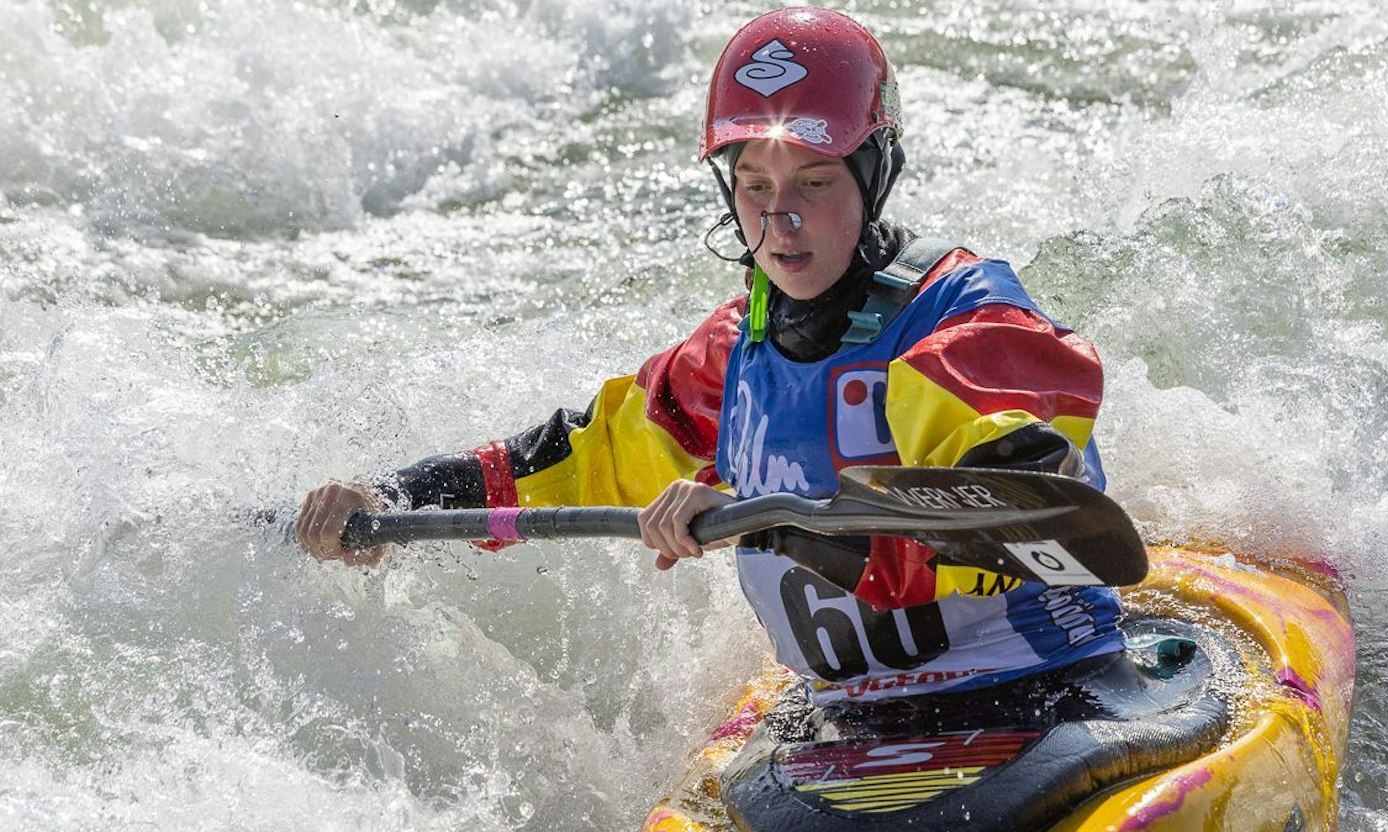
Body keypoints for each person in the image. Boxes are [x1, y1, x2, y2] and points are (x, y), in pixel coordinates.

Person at [296, 6, 1123, 706]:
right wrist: (392, 500)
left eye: (814, 181)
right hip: (844, 715)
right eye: (753, 186)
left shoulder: (967, 316)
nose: (779, 218)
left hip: (1037, 678)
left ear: (876, 175)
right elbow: (572, 460)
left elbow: (1009, 508)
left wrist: (767, 519)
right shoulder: (728, 356)